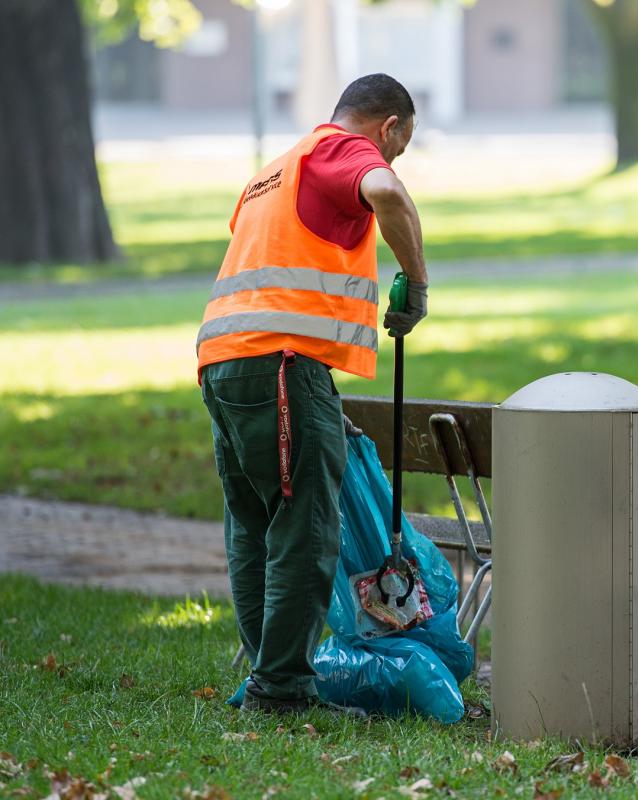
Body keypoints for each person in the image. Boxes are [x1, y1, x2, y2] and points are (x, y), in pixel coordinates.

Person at [195, 74, 428, 713]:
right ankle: (282, 689)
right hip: (278, 363)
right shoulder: (342, 152)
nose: (392, 161)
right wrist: (418, 281)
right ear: (390, 127)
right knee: (305, 525)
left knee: (253, 523)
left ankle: (270, 678)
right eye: (399, 147)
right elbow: (386, 193)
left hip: (224, 360)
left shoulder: (274, 170)